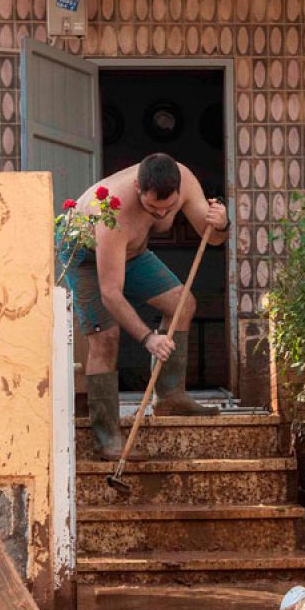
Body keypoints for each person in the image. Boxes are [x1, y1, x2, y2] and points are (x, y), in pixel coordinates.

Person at [61, 153, 229, 460]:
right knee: (105, 338)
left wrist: (222, 223)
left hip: (132, 252)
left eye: (169, 207)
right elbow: (111, 293)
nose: (162, 213)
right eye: (153, 208)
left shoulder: (185, 179)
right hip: (85, 256)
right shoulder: (110, 211)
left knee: (183, 303)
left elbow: (214, 239)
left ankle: (169, 396)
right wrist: (148, 338)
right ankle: (107, 438)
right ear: (138, 187)